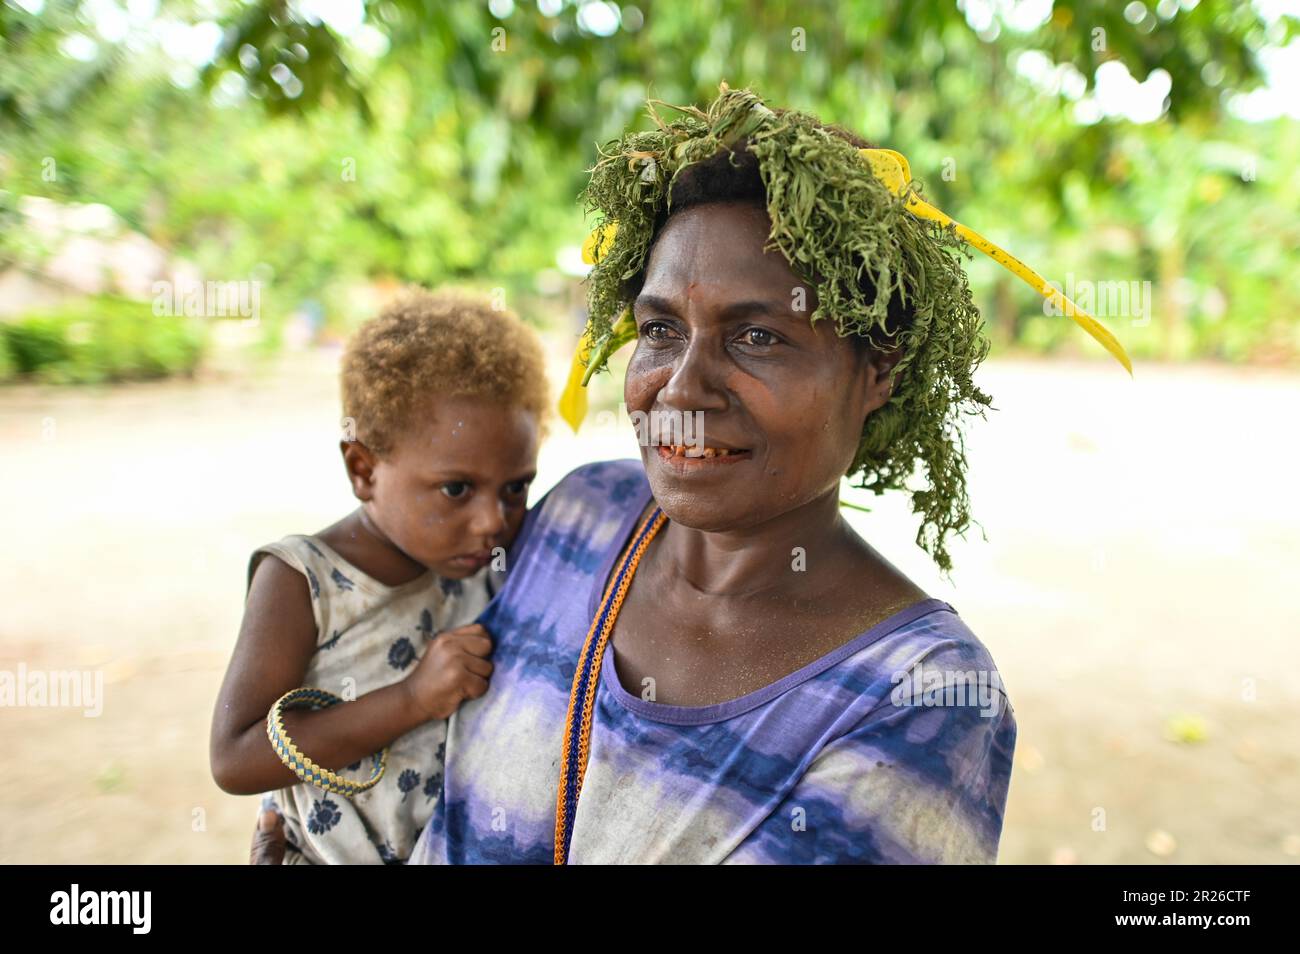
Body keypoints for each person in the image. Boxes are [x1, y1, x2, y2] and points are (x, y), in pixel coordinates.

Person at [254, 84, 1029, 864]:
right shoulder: (578, 518)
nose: (682, 389)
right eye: (661, 329)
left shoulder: (917, 696)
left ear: (877, 371)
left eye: (758, 336)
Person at [213, 287, 548, 863]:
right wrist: (413, 698)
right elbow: (236, 757)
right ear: (363, 469)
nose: (494, 520)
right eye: (457, 489)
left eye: (515, 487)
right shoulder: (303, 581)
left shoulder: (492, 573)